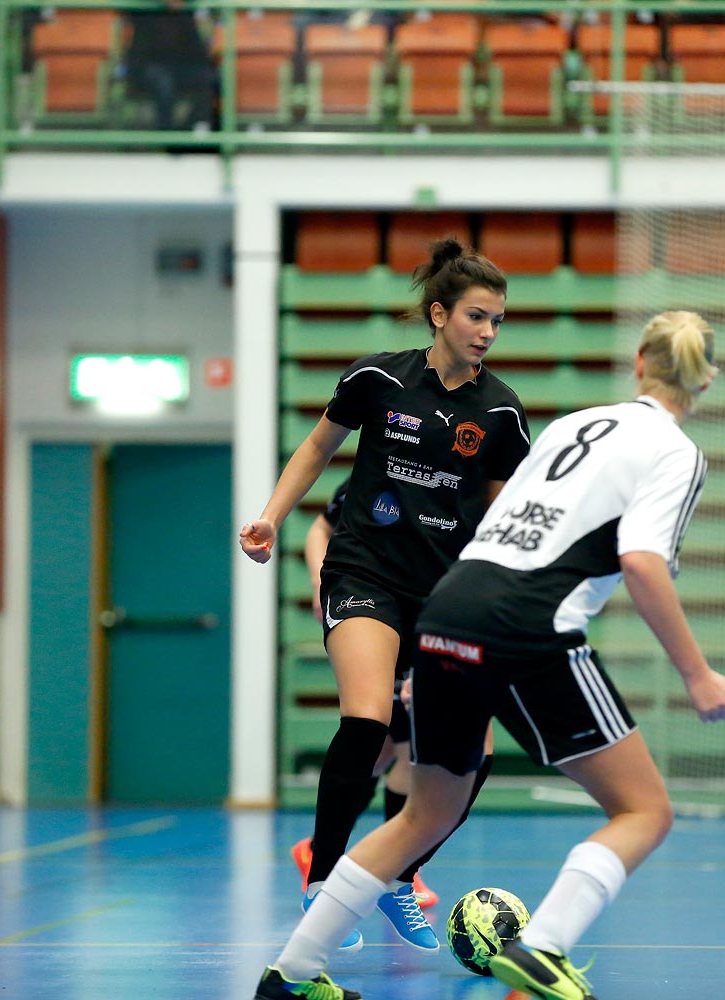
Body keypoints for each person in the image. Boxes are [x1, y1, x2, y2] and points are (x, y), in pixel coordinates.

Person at [252, 310, 725, 1000]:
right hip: (529, 622)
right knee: (644, 812)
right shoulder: (675, 453)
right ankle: (540, 951)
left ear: (638, 362)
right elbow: (641, 560)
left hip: (451, 605)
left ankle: (291, 975)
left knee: (425, 813)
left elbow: (498, 521)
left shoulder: (575, 423)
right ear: (707, 379)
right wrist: (697, 674)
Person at [240, 238, 530, 959]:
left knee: (469, 757)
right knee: (368, 720)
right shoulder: (378, 378)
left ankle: (401, 875)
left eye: (497, 320)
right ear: (439, 314)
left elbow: (502, 517)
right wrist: (272, 516)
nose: (488, 332)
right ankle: (325, 879)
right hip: (364, 573)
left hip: (444, 596)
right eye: (476, 316)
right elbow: (315, 448)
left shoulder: (501, 413)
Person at [291, 478, 444, 911]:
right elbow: (319, 528)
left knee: (390, 749)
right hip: (376, 613)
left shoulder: (459, 487)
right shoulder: (384, 471)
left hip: (423, 615)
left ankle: (323, 851)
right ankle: (399, 873)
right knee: (400, 742)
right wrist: (323, 582)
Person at [123, 0, 216, 132]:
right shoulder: (142, 8)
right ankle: (166, 137)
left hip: (182, 63)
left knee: (212, 78)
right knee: (163, 82)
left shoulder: (187, 8)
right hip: (147, 64)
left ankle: (184, 132)